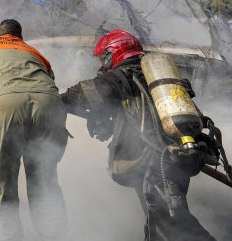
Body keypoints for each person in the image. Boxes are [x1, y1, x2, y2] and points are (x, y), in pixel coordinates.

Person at [61, 30, 217, 241]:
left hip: (153, 160)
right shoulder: (151, 74)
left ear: (110, 54)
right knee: (159, 217)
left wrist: (49, 98)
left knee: (172, 221)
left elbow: (77, 95)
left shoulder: (119, 77)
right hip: (180, 154)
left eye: (103, 57)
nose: (102, 63)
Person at [0, 19, 67, 241]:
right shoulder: (35, 52)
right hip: (49, 106)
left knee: (4, 183)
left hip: (4, 107)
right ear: (21, 37)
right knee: (44, 181)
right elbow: (46, 84)